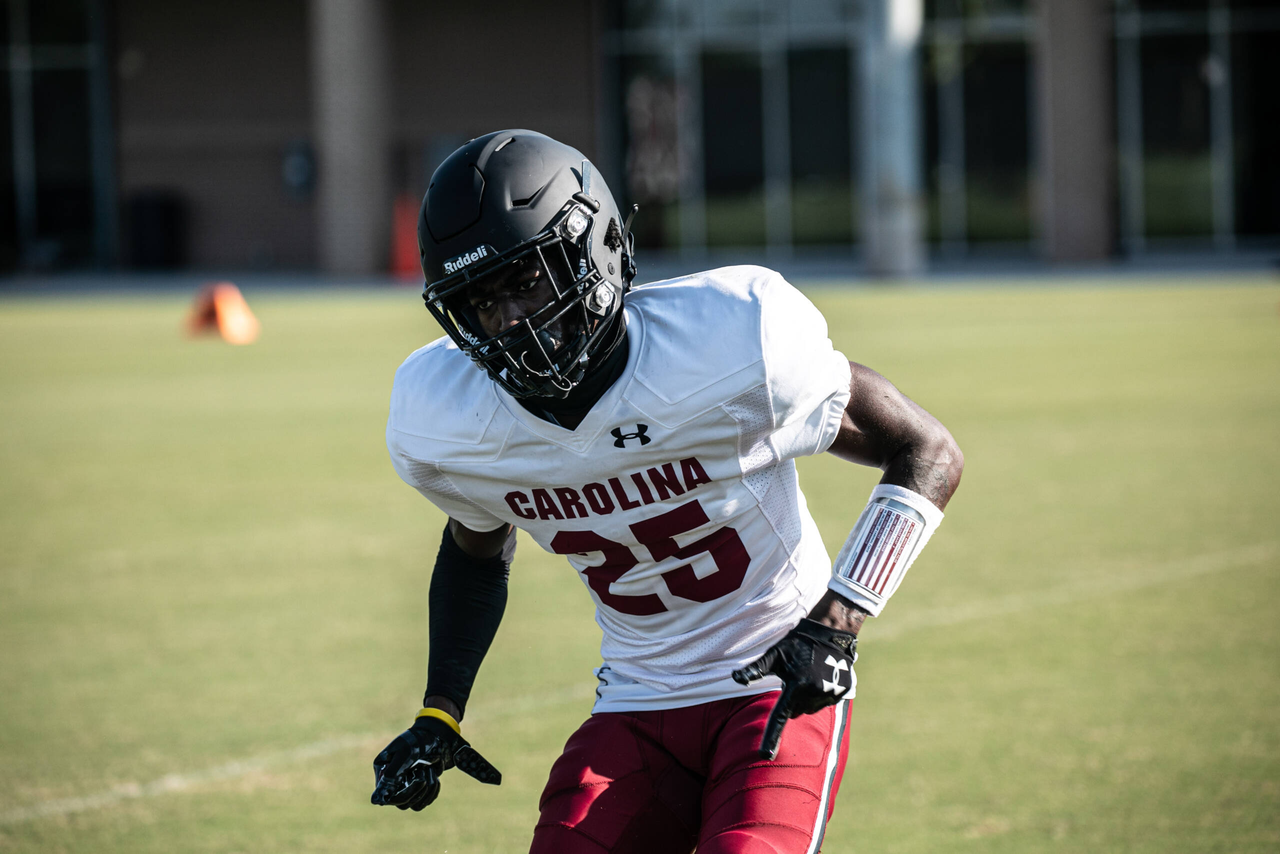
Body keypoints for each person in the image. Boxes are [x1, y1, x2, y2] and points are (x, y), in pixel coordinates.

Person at [371, 129, 963, 853]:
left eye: (526, 282)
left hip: (775, 683)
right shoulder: (448, 421)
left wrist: (834, 626)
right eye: (481, 302)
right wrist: (442, 710)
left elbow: (926, 450)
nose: (510, 325)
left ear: (596, 252)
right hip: (636, 701)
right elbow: (474, 547)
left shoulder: (734, 345)